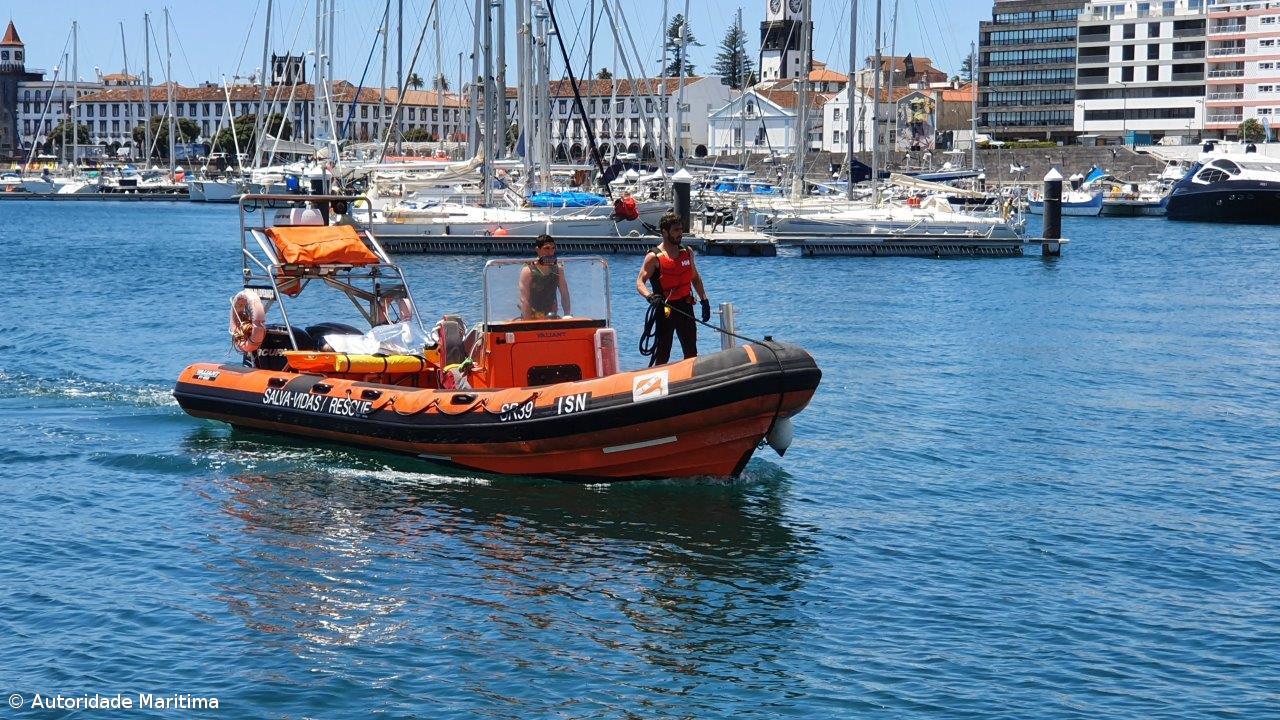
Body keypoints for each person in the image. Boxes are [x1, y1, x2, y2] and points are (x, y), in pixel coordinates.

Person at [636, 212, 711, 366]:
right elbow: (639, 283)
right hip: (666, 309)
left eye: (681, 230)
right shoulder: (654, 257)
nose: (680, 234)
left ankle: (692, 382)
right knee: (663, 352)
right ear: (664, 232)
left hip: (686, 307)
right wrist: (649, 296)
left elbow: (695, 278)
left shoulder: (687, 252)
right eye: (676, 230)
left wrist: (704, 300)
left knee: (691, 351)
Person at [519, 234, 571, 319]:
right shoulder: (528, 270)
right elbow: (524, 300)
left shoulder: (558, 269)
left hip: (552, 317)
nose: (550, 252)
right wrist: (527, 324)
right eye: (546, 248)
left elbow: (564, 294)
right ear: (538, 250)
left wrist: (567, 315)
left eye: (553, 248)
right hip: (531, 318)